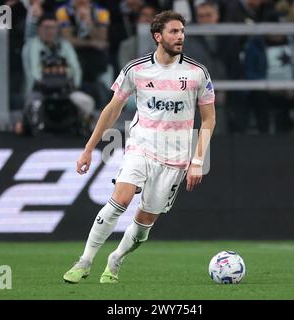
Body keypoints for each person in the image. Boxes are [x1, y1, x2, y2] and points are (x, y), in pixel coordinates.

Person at [63, 10, 216, 284]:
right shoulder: (136, 70)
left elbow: (209, 118)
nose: (180, 36)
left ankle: (116, 259)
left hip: (176, 158)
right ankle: (84, 261)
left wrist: (197, 160)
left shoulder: (197, 73)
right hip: (141, 146)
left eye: (182, 31)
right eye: (173, 31)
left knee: (145, 223)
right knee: (120, 200)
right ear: (158, 36)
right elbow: (112, 110)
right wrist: (88, 148)